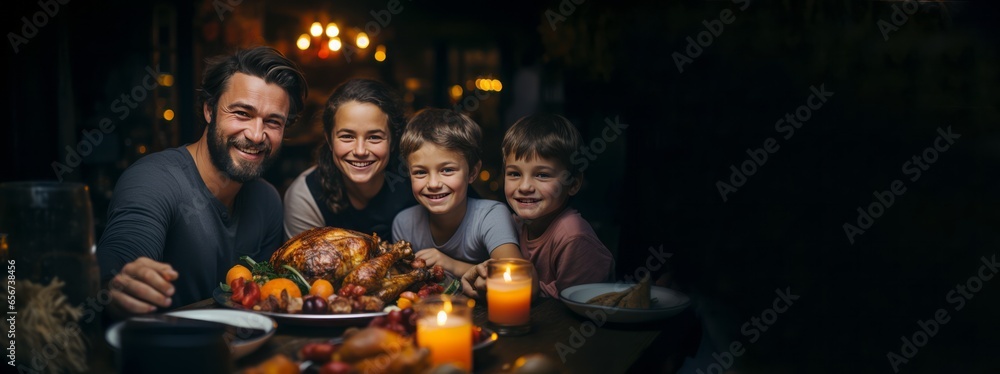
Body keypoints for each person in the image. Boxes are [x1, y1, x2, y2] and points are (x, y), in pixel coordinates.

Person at [96, 46, 308, 316]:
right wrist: (114, 282)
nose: (256, 135)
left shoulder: (267, 201)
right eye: (242, 113)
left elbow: (261, 304)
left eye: (273, 121)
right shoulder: (154, 180)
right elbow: (120, 253)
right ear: (210, 110)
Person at [462, 114, 614, 299]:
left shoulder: (574, 237)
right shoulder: (513, 224)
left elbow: (573, 305)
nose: (525, 187)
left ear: (573, 184)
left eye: (542, 175)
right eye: (514, 174)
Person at [391, 108, 523, 277]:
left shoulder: (490, 216)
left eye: (447, 170)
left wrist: (449, 264)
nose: (433, 184)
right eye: (420, 172)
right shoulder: (404, 224)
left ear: (473, 173)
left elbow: (518, 277)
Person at [283, 78, 415, 241]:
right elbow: (301, 265)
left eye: (374, 137)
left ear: (393, 141)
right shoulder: (306, 197)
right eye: (347, 136)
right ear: (330, 140)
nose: (360, 151)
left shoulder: (416, 181)